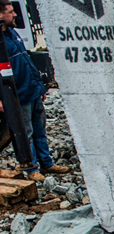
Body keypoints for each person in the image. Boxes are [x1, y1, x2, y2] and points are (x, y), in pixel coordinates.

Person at [0, 0, 69, 181]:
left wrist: (39, 86)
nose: (15, 15)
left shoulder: (12, 32)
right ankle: (31, 169)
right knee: (25, 133)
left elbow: (26, 61)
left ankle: (46, 162)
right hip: (18, 95)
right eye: (11, 12)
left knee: (39, 129)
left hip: (32, 91)